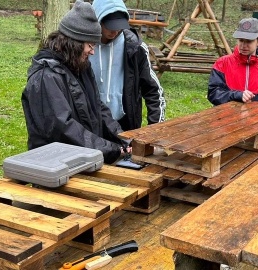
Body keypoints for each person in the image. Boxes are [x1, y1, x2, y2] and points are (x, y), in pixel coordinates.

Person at [21, 0, 128, 164]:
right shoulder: (45, 77)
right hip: (55, 166)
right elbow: (63, 129)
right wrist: (111, 149)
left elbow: (98, 107)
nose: (92, 51)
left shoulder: (80, 66)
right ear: (75, 43)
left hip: (82, 161)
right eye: (90, 45)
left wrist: (123, 139)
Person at [90, 0, 166, 132]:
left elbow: (153, 91)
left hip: (125, 126)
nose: (115, 32)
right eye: (110, 27)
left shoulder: (135, 48)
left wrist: (154, 130)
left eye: (119, 26)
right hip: (90, 125)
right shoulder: (83, 46)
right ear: (98, 20)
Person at [208, 18, 258, 105]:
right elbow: (213, 94)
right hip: (225, 116)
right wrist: (237, 95)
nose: (243, 45)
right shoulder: (222, 63)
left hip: (254, 116)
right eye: (241, 40)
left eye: (249, 41)